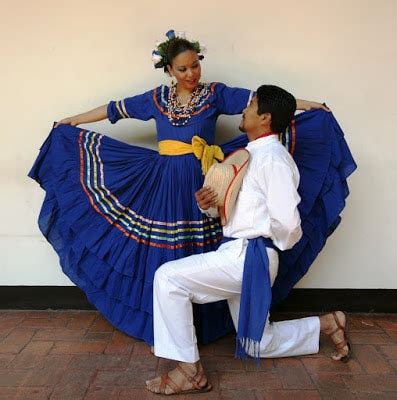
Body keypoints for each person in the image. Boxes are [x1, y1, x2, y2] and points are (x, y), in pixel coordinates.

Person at [28, 29, 341, 347]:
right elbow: (114, 110)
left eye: (195, 65)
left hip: (207, 179)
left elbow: (261, 102)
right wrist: (72, 121)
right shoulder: (156, 99)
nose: (191, 73)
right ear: (168, 70)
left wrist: (309, 106)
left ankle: (202, 330)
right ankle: (168, 332)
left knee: (206, 250)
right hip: (165, 182)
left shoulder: (215, 94)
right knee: (162, 254)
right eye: (183, 69)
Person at [146, 85, 352, 395]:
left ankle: (190, 370)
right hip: (241, 253)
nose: (245, 109)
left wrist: (263, 243)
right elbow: (235, 211)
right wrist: (209, 206)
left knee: (168, 279)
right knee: (258, 344)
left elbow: (288, 222)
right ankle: (327, 324)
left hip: (248, 256)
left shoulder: (272, 159)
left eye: (251, 105)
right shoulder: (250, 154)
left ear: (265, 118)